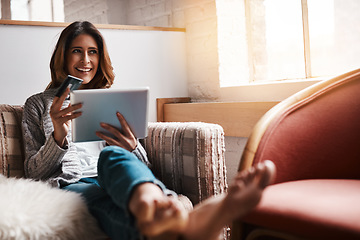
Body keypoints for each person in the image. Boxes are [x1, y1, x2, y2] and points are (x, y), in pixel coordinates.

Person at [22, 21, 276, 240]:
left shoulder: (113, 100)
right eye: (77, 51)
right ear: (63, 55)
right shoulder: (39, 105)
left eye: (93, 52)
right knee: (101, 204)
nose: (86, 60)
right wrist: (58, 135)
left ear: (100, 58)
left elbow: (142, 164)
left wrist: (132, 147)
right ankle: (183, 224)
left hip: (116, 175)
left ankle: (149, 201)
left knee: (113, 157)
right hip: (74, 183)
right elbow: (33, 173)